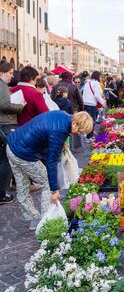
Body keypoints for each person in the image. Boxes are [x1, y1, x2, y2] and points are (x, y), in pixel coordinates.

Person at [6, 111, 93, 230]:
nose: (77, 134)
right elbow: (51, 162)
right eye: (79, 131)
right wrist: (54, 189)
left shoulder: (63, 115)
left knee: (22, 185)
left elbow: (46, 132)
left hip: (12, 146)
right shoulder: (60, 131)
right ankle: (45, 220)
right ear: (75, 123)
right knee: (46, 182)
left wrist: (59, 144)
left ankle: (32, 217)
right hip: (24, 152)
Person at [0, 62, 25, 205]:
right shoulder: (2, 85)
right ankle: (2, 193)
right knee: (5, 159)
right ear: (1, 73)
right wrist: (20, 107)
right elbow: (4, 104)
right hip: (5, 125)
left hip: (4, 124)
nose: (11, 75)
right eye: (9, 73)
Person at [83, 71, 105, 140]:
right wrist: (102, 102)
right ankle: (89, 136)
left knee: (87, 120)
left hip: (85, 103)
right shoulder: (96, 83)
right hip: (92, 104)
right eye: (100, 76)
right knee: (92, 121)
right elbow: (97, 95)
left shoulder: (87, 83)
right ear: (98, 76)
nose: (101, 78)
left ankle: (88, 134)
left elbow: (84, 93)